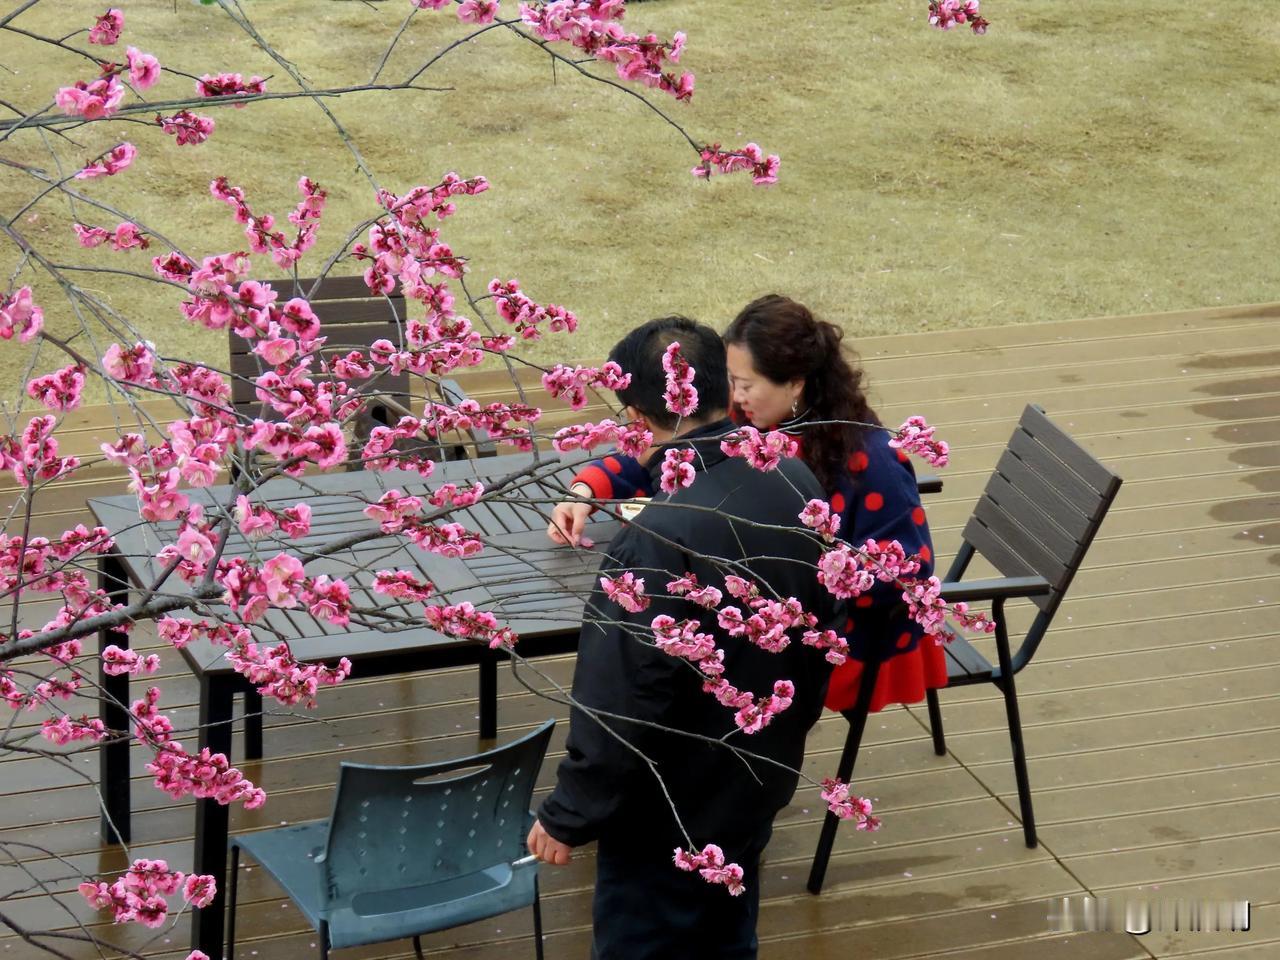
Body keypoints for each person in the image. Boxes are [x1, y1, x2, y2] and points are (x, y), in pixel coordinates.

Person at [528, 315, 844, 959]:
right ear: (725, 389)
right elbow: (822, 633)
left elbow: (621, 699)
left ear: (639, 417)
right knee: (729, 937)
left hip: (667, 806)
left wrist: (568, 814)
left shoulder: (657, 538)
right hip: (758, 775)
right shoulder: (796, 483)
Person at [548, 294, 944, 716]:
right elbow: (669, 452)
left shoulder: (873, 459)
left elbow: (910, 574)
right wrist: (587, 490)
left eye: (746, 384)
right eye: (731, 380)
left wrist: (803, 578)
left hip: (841, 637)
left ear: (795, 382)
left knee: (678, 666)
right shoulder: (753, 418)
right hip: (763, 602)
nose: (734, 396)